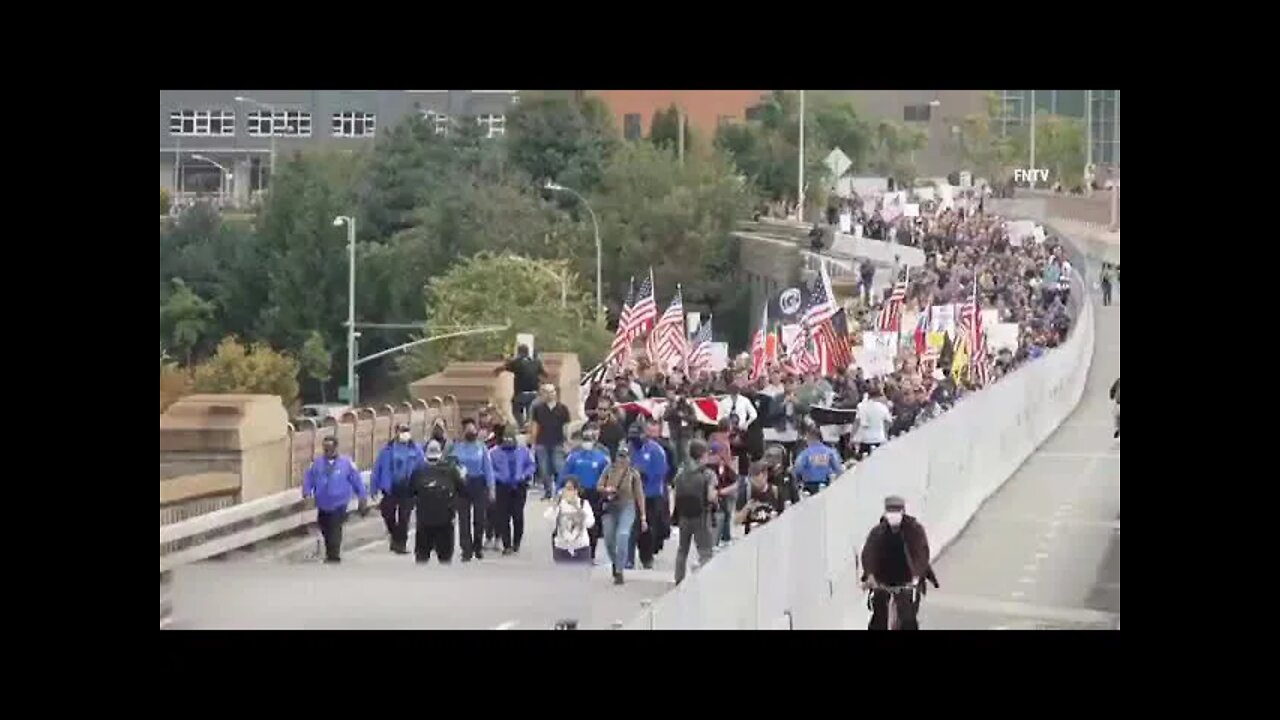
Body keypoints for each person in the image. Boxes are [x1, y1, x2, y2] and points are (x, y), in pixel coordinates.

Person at [860, 495, 937, 630]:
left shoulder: (914, 530)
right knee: (878, 619)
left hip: (907, 581)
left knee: (908, 619)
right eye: (890, 510)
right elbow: (869, 553)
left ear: (903, 511)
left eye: (897, 510)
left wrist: (916, 576)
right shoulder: (878, 532)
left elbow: (921, 553)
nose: (893, 514)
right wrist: (870, 575)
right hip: (883, 581)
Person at [302, 436, 368, 563]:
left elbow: (356, 480)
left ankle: (334, 554)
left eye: (330, 448)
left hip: (339, 502)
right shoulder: (316, 464)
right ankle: (330, 551)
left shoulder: (346, 463)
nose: (328, 451)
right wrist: (307, 493)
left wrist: (362, 497)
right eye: (325, 448)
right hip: (323, 503)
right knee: (325, 526)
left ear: (336, 448)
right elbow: (308, 479)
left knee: (335, 527)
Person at [544, 476, 596, 630]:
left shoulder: (583, 504)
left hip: (581, 548)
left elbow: (590, 523)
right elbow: (548, 519)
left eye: (571, 488)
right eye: (566, 488)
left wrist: (578, 509)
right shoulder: (560, 505)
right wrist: (555, 506)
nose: (569, 492)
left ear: (577, 490)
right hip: (562, 548)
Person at [370, 423, 424, 555]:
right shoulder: (387, 450)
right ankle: (395, 536)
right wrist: (373, 488)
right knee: (387, 513)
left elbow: (422, 468)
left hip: (408, 487)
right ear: (396, 432)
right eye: (402, 430)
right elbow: (377, 470)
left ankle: (401, 544)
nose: (404, 433)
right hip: (391, 487)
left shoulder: (415, 449)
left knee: (404, 517)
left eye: (406, 430)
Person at [560, 425, 611, 561]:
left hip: (594, 494)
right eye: (585, 439)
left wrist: (606, 493)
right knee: (573, 522)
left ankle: (591, 553)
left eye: (590, 439)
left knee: (591, 524)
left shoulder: (602, 458)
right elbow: (565, 473)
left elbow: (607, 475)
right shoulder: (574, 457)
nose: (587, 442)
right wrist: (560, 490)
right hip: (577, 493)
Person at [409, 440, 465, 564]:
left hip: (424, 520)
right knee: (445, 558)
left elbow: (410, 491)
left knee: (422, 558)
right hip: (445, 519)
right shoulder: (451, 470)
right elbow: (462, 488)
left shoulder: (418, 472)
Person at [448, 418, 496, 562]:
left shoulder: (481, 448)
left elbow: (488, 469)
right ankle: (466, 550)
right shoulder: (457, 448)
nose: (470, 432)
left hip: (478, 483)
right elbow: (450, 466)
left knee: (479, 518)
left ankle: (477, 546)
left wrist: (491, 487)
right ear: (463, 432)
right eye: (467, 430)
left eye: (472, 429)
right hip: (462, 484)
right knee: (464, 519)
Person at [672, 439, 718, 585]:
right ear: (703, 455)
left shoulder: (681, 472)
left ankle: (678, 579)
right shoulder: (708, 474)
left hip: (684, 516)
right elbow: (711, 496)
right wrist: (716, 499)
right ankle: (705, 580)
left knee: (682, 549)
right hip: (701, 516)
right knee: (705, 550)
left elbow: (674, 492)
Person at [597, 444, 645, 584]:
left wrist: (643, 517)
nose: (622, 460)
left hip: (627, 506)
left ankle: (619, 570)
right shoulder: (608, 470)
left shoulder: (633, 474)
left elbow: (639, 495)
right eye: (620, 456)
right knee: (609, 540)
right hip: (610, 507)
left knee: (623, 535)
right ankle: (615, 561)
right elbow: (598, 485)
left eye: (625, 457)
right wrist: (607, 490)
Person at [630, 420, 672, 570]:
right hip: (632, 494)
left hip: (651, 494)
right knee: (631, 526)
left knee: (648, 527)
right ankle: (629, 557)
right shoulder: (629, 449)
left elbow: (661, 472)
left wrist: (643, 476)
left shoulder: (656, 450)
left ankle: (647, 556)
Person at [489, 433, 536, 555]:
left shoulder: (524, 451)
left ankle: (516, 542)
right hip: (502, 486)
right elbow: (489, 469)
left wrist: (524, 475)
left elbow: (531, 465)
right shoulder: (493, 453)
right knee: (503, 516)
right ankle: (507, 545)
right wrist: (499, 477)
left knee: (518, 515)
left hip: (519, 486)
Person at [531, 384, 571, 500]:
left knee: (560, 467)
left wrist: (567, 442)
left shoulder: (563, 408)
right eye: (546, 392)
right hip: (541, 442)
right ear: (542, 394)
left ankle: (561, 491)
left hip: (558, 442)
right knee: (544, 469)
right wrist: (533, 442)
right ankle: (548, 491)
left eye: (552, 391)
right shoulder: (538, 408)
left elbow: (566, 427)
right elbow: (535, 425)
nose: (549, 394)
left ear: (555, 393)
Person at [496, 344, 548, 429]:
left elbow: (503, 368)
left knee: (516, 409)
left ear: (519, 352)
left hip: (521, 393)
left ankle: (522, 426)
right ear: (528, 352)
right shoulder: (536, 362)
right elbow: (545, 374)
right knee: (530, 411)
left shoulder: (516, 362)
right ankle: (528, 426)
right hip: (534, 393)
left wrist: (496, 371)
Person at [734, 461, 783, 535]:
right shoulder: (745, 493)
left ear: (765, 475)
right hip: (752, 536)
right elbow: (736, 521)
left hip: (772, 534)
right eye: (753, 480)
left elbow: (783, 514)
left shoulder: (775, 491)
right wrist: (747, 508)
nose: (755, 483)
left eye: (758, 480)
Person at [792, 427, 843, 497]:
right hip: (826, 484)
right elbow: (839, 469)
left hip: (809, 486)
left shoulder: (805, 453)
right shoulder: (830, 451)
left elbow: (797, 468)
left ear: (810, 438)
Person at [709, 442, 739, 546]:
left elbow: (736, 483)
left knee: (726, 513)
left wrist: (723, 491)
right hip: (711, 497)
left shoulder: (726, 469)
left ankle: (725, 537)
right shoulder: (708, 468)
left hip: (723, 495)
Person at [853, 387, 893, 459]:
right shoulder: (882, 407)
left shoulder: (861, 406)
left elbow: (856, 422)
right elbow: (889, 422)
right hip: (879, 439)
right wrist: (885, 432)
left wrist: (852, 437)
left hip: (865, 440)